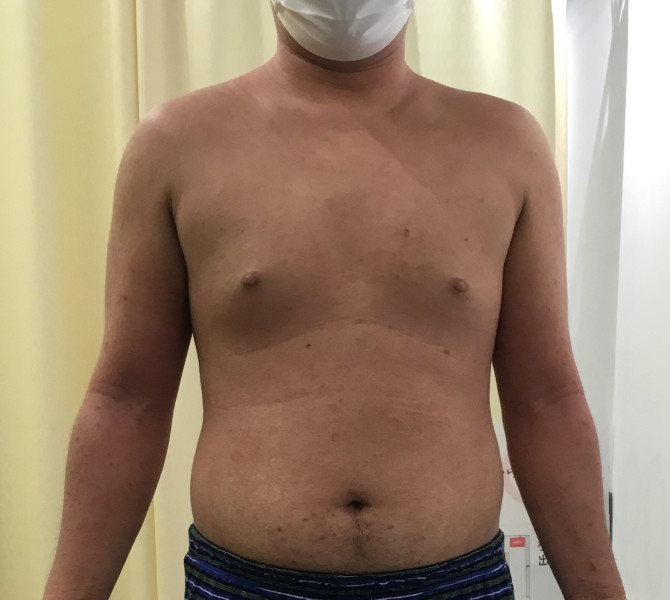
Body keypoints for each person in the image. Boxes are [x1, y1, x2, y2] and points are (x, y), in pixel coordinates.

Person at [43, 1, 627, 599]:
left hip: (457, 584)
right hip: (245, 586)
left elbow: (547, 402)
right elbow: (127, 402)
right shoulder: (175, 146)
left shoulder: (505, 145)